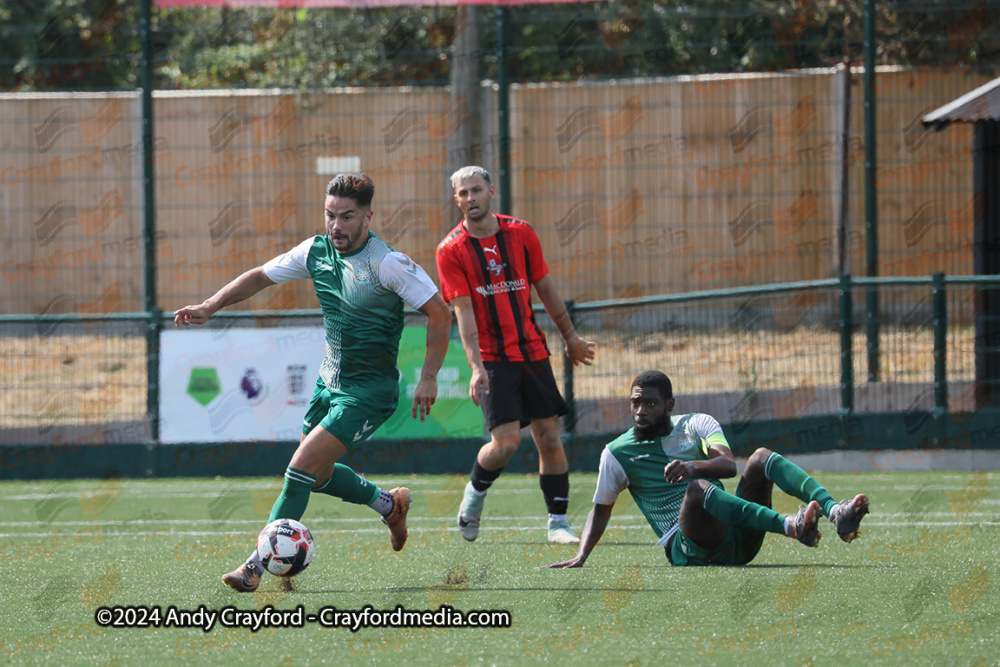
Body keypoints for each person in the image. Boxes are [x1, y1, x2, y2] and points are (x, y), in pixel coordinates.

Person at [174, 173, 452, 592]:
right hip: (328, 385)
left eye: (346, 216)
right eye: (329, 215)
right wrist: (210, 305)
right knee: (317, 477)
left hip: (369, 394)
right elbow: (259, 276)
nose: (335, 225)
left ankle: (255, 566)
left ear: (368, 217)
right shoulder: (315, 251)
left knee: (299, 469)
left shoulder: (388, 264)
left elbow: (440, 312)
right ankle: (388, 505)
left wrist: (428, 375)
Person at [544, 370, 870, 568]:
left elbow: (729, 466)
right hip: (692, 549)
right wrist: (582, 554)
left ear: (669, 405)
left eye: (650, 403)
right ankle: (791, 526)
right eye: (635, 402)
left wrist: (691, 465)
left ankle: (834, 511)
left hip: (738, 537)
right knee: (696, 490)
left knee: (760, 458)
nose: (641, 410)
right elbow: (601, 509)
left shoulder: (697, 424)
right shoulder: (616, 453)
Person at [435, 165, 596, 545]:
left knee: (550, 439)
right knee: (506, 443)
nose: (471, 198)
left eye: (477, 190)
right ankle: (473, 498)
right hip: (493, 358)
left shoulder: (521, 233)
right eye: (463, 193)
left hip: (532, 352)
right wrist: (476, 367)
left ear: (491, 190)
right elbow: (464, 313)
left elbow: (546, 287)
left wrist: (570, 337)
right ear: (456, 200)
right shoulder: (450, 250)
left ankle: (558, 523)